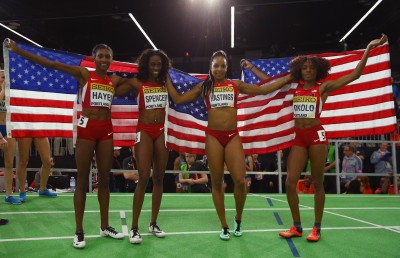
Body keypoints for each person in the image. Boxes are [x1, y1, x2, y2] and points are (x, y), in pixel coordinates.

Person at [6, 39, 126, 248]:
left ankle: (104, 226)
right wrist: (19, 51)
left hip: (106, 131)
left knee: (104, 181)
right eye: (101, 56)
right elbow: (52, 64)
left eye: (108, 56)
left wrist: (163, 72)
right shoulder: (84, 74)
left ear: (112, 59)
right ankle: (79, 231)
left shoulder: (114, 80)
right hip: (87, 131)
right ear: (94, 58)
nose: (105, 59)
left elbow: (140, 81)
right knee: (81, 181)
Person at [166, 50, 293, 240]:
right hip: (213, 137)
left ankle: (238, 219)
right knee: (216, 183)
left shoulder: (236, 85)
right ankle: (224, 225)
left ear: (227, 67)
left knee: (240, 181)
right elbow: (178, 99)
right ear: (210, 67)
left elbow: (264, 89)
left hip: (232, 135)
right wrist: (166, 75)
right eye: (216, 65)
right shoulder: (204, 87)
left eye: (222, 66)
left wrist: (289, 78)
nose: (219, 69)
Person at [279, 34, 388, 242]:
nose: (309, 70)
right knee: (290, 182)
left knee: (318, 183)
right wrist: (250, 68)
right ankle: (297, 226)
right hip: (299, 138)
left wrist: (368, 49)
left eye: (312, 67)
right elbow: (269, 86)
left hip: (317, 137)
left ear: (317, 70)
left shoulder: (323, 88)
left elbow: (355, 75)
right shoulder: (295, 88)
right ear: (300, 70)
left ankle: (317, 228)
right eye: (305, 67)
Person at [115, 49, 171, 244]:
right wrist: (112, 77)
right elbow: (112, 90)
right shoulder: (137, 83)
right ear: (146, 64)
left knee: (159, 178)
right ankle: (134, 228)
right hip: (144, 131)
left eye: (159, 64)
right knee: (144, 177)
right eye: (152, 64)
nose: (155, 67)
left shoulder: (166, 84)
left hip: (161, 131)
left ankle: (153, 223)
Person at [0, 69, 21, 205]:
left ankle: (8, 195)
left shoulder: (11, 93)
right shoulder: (3, 91)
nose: (4, 79)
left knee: (9, 163)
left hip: (8, 129)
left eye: (5, 77)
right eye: (2, 77)